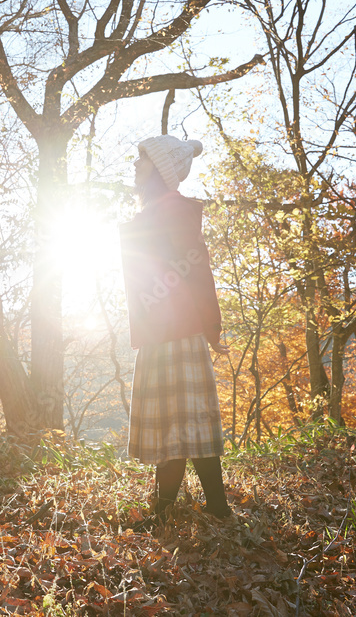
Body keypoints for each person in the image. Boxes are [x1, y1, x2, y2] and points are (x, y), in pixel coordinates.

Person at [119, 134, 233, 523]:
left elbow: (196, 267)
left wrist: (211, 327)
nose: (136, 165)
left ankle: (210, 508)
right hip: (159, 332)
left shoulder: (174, 209)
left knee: (189, 419)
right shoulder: (154, 209)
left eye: (143, 159)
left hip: (179, 329)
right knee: (178, 422)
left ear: (160, 169)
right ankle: (173, 511)